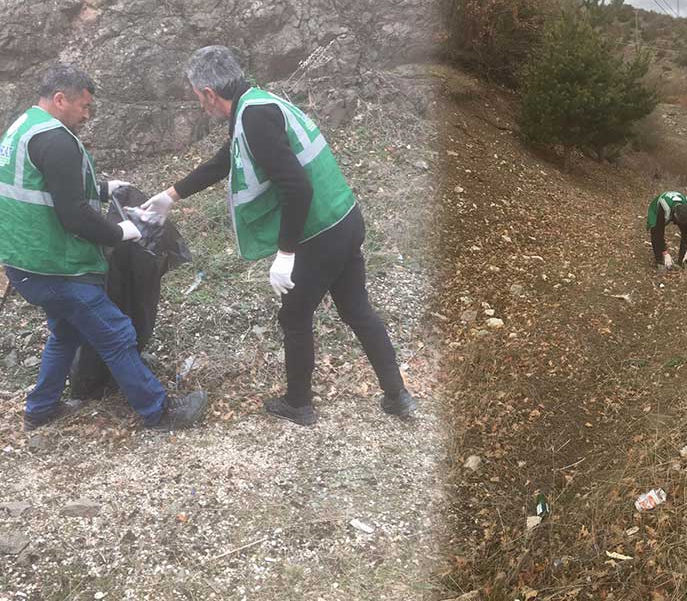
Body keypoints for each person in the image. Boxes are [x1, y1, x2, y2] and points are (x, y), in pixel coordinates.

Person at [140, 46, 418, 426]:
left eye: (197, 98)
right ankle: (397, 395)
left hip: (320, 232)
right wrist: (172, 196)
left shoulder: (254, 117)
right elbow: (226, 159)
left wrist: (285, 254)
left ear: (207, 92)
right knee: (357, 310)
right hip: (345, 217)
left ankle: (299, 404)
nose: (200, 106)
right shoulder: (257, 103)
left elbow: (297, 189)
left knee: (295, 315)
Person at [0, 64, 208, 431]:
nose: (87, 114)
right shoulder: (57, 140)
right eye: (83, 106)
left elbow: (47, 186)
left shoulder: (24, 127)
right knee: (116, 334)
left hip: (23, 262)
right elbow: (74, 215)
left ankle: (40, 409)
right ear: (60, 99)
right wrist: (123, 232)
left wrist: (103, 189)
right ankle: (159, 413)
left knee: (66, 332)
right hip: (57, 265)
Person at [646, 190, 687, 270]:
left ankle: (681, 261)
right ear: (675, 216)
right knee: (655, 232)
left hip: (677, 208)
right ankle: (660, 262)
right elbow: (659, 232)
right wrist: (665, 253)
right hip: (657, 209)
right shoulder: (663, 207)